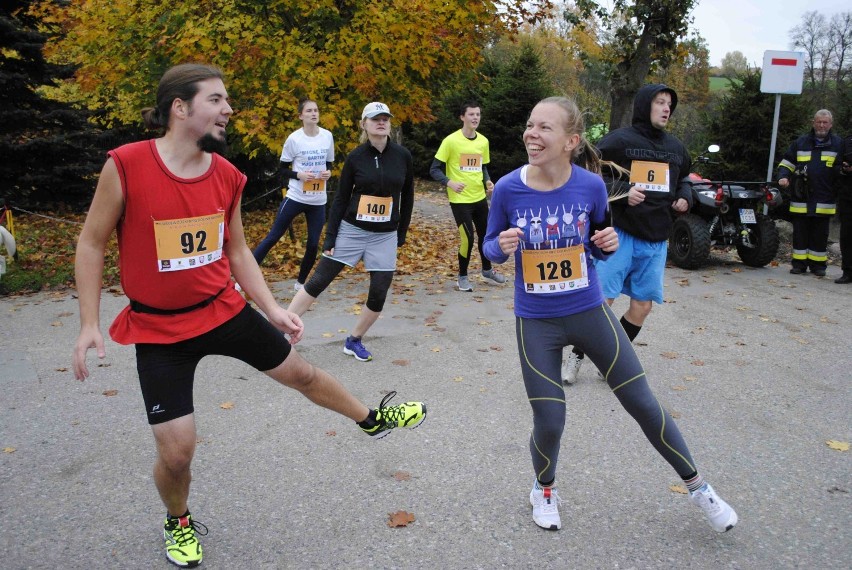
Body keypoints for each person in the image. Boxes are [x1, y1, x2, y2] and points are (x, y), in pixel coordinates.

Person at [71, 66, 426, 568]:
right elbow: (91, 241)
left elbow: (237, 251)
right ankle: (178, 520)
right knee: (177, 453)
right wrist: (89, 322)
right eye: (217, 100)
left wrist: (274, 309)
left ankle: (371, 420)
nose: (228, 110)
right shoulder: (126, 165)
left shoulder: (227, 175)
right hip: (159, 328)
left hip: (222, 309)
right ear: (180, 107)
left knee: (300, 372)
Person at [482, 96, 737, 534]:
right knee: (551, 418)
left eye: (544, 127)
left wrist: (607, 245)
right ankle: (544, 488)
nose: (532, 134)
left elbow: (597, 239)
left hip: (588, 310)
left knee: (642, 402)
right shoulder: (508, 188)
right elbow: (489, 249)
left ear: (570, 140)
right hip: (536, 321)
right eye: (529, 124)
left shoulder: (591, 186)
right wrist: (499, 248)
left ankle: (700, 489)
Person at [561, 84, 693, 384]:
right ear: (646, 105)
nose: (666, 108)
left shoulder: (676, 147)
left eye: (669, 104)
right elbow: (586, 171)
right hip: (622, 234)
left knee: (642, 307)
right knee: (601, 303)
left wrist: (686, 195)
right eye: (660, 102)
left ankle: (610, 361)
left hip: (657, 239)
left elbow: (686, 176)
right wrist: (622, 192)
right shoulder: (620, 140)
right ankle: (577, 356)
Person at [288, 102, 414, 362]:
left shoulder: (402, 156)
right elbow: (341, 199)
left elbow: (408, 196)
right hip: (352, 230)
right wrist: (331, 236)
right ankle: (281, 330)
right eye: (375, 119)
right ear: (364, 124)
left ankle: (354, 340)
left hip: (385, 235)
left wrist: (402, 231)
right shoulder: (356, 157)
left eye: (385, 119)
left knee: (379, 291)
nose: (381, 122)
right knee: (319, 280)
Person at [251, 99, 334, 291]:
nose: (314, 113)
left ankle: (300, 284)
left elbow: (328, 163)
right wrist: (299, 175)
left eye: (316, 110)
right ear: (301, 116)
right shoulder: (294, 139)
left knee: (313, 244)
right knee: (273, 237)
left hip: (318, 200)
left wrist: (328, 173)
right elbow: (281, 170)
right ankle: (243, 280)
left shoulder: (327, 136)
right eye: (309, 111)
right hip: (296, 197)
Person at [430, 102, 506, 291]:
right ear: (462, 117)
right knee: (467, 239)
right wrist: (450, 183)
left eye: (478, 114)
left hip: (479, 198)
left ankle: (487, 270)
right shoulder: (451, 141)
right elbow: (434, 169)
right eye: (471, 114)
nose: (475, 118)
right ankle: (462, 277)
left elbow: (482, 167)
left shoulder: (483, 141)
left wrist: (487, 182)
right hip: (460, 200)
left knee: (486, 236)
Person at [776, 109, 841, 277]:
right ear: (813, 123)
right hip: (801, 199)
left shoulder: (838, 144)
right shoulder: (801, 143)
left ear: (830, 124)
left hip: (824, 199)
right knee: (800, 234)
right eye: (818, 122)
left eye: (825, 122)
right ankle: (798, 264)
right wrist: (783, 177)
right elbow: (786, 163)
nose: (821, 125)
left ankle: (818, 266)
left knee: (820, 235)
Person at [836, 132, 852, 284]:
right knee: (846, 236)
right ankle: (847, 271)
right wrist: (843, 168)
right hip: (847, 196)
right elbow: (836, 163)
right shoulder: (846, 141)